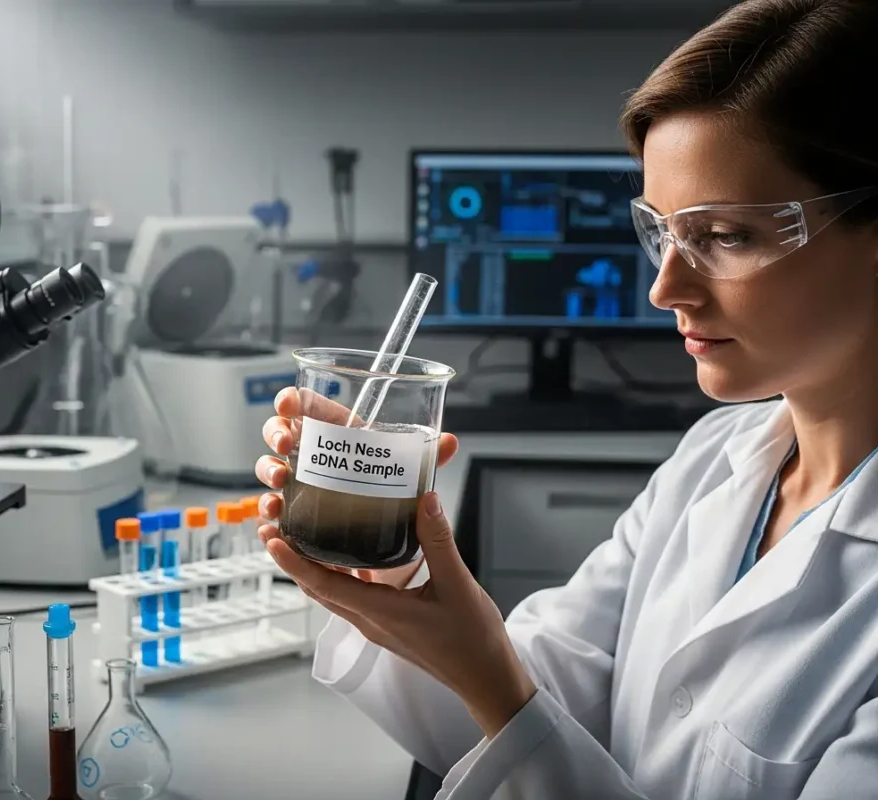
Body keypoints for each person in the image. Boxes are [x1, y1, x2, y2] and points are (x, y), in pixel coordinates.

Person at [253, 1, 878, 797]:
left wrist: (490, 679)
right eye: (660, 231)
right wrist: (394, 584)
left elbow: (511, 706)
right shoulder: (712, 461)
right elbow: (539, 706)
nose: (663, 288)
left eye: (726, 236)